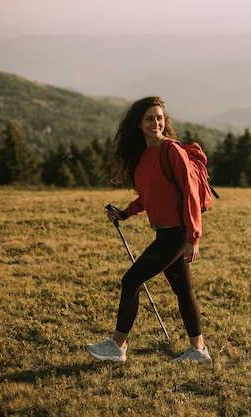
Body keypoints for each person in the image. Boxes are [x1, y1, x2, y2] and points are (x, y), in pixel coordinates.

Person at [86, 96, 211, 364]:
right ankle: (199, 350)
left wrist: (193, 238)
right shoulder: (143, 157)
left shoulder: (172, 151)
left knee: (130, 281)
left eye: (159, 117)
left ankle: (117, 346)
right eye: (149, 118)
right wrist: (125, 212)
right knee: (183, 291)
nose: (156, 122)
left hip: (177, 233)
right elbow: (147, 195)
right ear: (139, 124)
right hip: (164, 233)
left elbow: (190, 195)